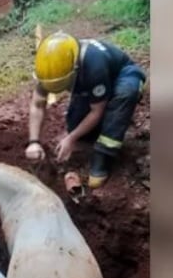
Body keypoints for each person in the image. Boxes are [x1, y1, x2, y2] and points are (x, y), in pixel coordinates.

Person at [25, 31, 146, 189]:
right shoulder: (50, 69)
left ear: (74, 69)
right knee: (77, 127)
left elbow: (97, 111)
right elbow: (37, 104)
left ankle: (104, 156)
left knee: (123, 95)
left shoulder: (94, 66)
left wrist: (70, 138)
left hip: (124, 76)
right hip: (89, 83)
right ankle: (98, 129)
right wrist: (33, 142)